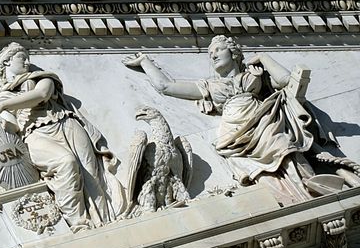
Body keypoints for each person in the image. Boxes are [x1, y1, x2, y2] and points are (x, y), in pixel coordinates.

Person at [123, 36, 357, 196]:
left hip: (264, 121)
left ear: (234, 52)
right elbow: (166, 87)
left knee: (284, 146)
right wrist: (145, 61)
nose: (213, 56)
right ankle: (289, 196)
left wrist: (264, 58)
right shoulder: (211, 86)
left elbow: (286, 82)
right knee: (260, 172)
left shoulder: (254, 76)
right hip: (235, 133)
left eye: (218, 50)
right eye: (209, 53)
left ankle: (307, 188)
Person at [0, 43, 127, 230]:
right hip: (35, 133)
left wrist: (4, 105)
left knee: (92, 174)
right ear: (6, 62)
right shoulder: (1, 96)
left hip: (66, 124)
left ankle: (107, 221)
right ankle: (78, 222)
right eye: (22, 57)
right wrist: (2, 108)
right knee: (65, 162)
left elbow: (42, 94)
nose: (27, 61)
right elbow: (11, 126)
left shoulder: (41, 78)